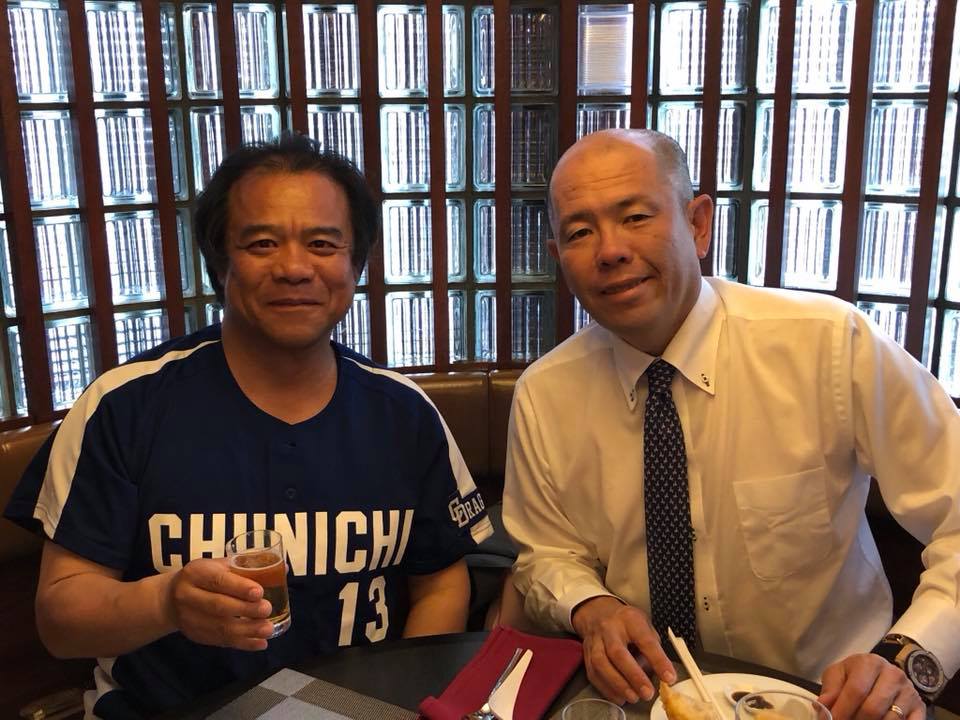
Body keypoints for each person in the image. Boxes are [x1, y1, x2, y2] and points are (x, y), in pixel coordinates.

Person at [4, 135, 492, 718]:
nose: (294, 268)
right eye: (262, 243)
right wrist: (166, 602)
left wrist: (402, 706)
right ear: (220, 262)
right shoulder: (123, 406)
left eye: (322, 244)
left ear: (356, 263)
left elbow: (440, 582)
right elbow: (61, 620)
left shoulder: (405, 414)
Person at [501, 128, 960, 720]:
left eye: (635, 217)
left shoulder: (828, 345)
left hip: (827, 702)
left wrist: (907, 658)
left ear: (698, 224)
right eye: (579, 232)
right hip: (651, 698)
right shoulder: (545, 393)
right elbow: (545, 551)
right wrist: (591, 606)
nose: (609, 250)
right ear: (558, 256)